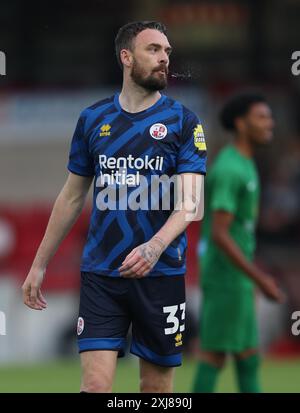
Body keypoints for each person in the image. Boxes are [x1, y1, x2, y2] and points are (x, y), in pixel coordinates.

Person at [22, 21, 207, 393]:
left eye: (167, 52)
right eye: (153, 49)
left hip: (161, 275)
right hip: (101, 275)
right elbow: (72, 196)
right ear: (126, 57)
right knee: (94, 388)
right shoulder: (93, 119)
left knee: (155, 391)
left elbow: (191, 203)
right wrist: (39, 263)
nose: (164, 59)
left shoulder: (183, 122)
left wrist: (154, 247)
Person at [193, 92, 285, 393]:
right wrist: (260, 278)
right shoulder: (230, 169)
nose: (269, 123)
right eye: (261, 117)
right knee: (214, 354)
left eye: (269, 116)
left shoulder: (246, 164)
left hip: (237, 278)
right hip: (225, 278)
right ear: (241, 124)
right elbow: (220, 234)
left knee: (248, 356)